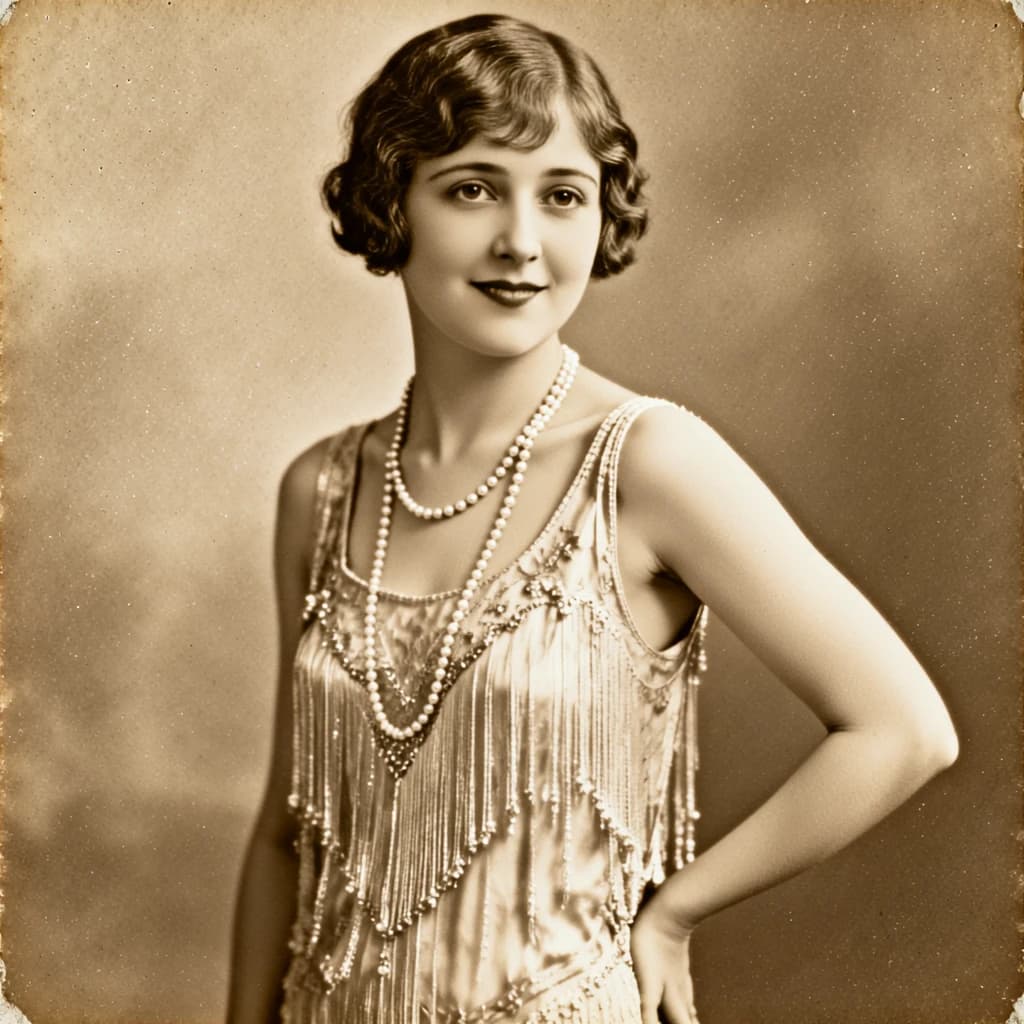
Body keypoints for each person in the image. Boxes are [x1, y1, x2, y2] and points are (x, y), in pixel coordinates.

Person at [226, 14, 959, 1024]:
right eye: (472, 187)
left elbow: (903, 729)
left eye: (563, 196)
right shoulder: (320, 488)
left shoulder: (651, 461)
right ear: (390, 200)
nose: (521, 242)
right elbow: (285, 833)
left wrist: (673, 914)